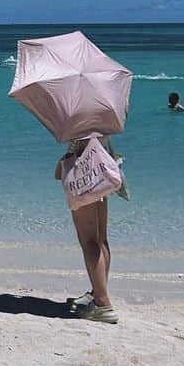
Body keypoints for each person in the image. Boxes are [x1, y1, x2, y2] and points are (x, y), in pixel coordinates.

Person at [57, 136, 127, 324]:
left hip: (85, 173)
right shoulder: (106, 113)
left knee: (88, 241)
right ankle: (98, 292)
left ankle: (103, 303)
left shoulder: (81, 120)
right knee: (100, 238)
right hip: (101, 170)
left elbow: (77, 148)